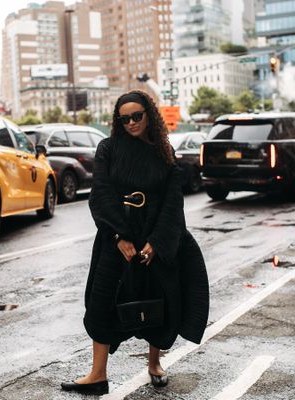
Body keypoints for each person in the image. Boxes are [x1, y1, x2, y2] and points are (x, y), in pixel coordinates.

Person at [61, 90, 209, 396]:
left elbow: (173, 199)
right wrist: (120, 236)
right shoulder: (108, 148)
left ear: (149, 115)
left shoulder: (163, 150)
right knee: (100, 301)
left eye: (136, 116)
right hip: (117, 236)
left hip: (156, 235)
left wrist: (157, 241)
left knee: (160, 299)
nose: (130, 122)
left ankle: (154, 365)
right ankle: (98, 375)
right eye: (124, 118)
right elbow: (100, 192)